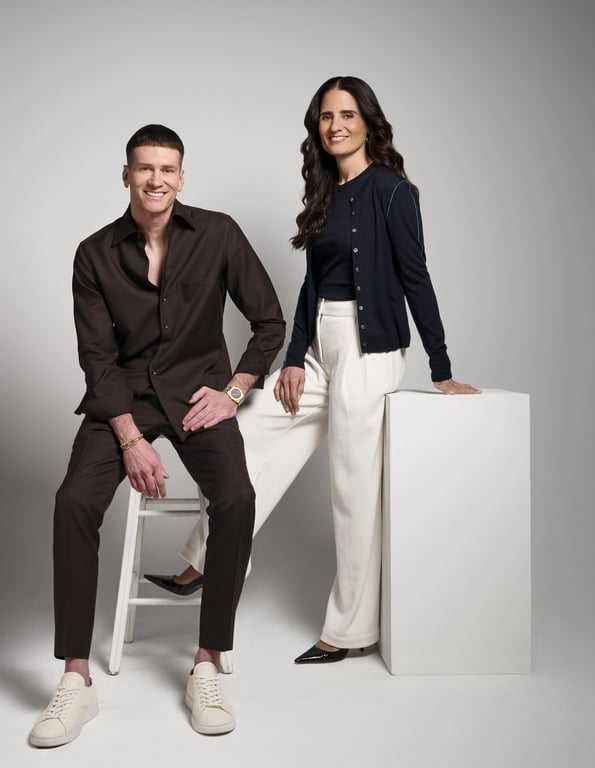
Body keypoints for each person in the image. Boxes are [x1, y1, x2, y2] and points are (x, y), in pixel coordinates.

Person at [145, 76, 478, 664]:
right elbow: (311, 288)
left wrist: (442, 366)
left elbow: (415, 279)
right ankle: (205, 558)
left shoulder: (394, 192)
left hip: (368, 350)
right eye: (326, 116)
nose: (335, 125)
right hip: (320, 343)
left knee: (353, 490)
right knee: (244, 438)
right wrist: (294, 357)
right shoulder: (326, 194)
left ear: (368, 121)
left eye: (346, 114)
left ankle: (349, 630)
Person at [29, 124, 285, 746]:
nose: (156, 180)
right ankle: (75, 679)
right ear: (125, 175)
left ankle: (207, 663)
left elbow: (269, 323)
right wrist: (127, 436)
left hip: (201, 397)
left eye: (167, 169)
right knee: (73, 503)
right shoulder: (93, 253)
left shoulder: (218, 233)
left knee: (237, 499)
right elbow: (97, 356)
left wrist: (232, 394)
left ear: (182, 176)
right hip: (124, 401)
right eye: (144, 169)